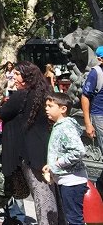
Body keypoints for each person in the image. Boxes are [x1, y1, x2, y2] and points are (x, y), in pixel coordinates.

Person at [0, 61, 59, 225]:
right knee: (50, 192)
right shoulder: (44, 92)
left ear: (27, 77)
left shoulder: (22, 95)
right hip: (46, 147)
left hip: (31, 152)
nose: (14, 77)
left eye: (17, 75)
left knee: (41, 193)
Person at [43, 92, 87, 225]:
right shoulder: (61, 125)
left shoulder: (65, 126)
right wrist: (51, 165)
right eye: (46, 105)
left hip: (72, 181)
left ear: (63, 109)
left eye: (50, 106)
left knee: (74, 219)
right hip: (67, 180)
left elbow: (78, 151)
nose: (46, 109)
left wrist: (56, 164)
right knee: (72, 217)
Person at [80, 45, 103, 193]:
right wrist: (88, 123)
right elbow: (85, 97)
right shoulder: (96, 73)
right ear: (100, 58)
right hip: (100, 116)